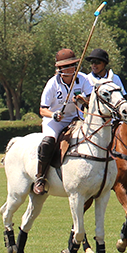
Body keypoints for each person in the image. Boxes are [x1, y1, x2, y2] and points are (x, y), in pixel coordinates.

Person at [34, 49, 91, 195]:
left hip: (75, 119)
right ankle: (40, 178)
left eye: (73, 64)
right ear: (60, 69)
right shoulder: (52, 84)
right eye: (68, 66)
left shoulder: (83, 79)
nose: (72, 68)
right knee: (48, 142)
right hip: (54, 121)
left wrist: (82, 100)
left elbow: (92, 100)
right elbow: (42, 110)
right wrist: (54, 116)